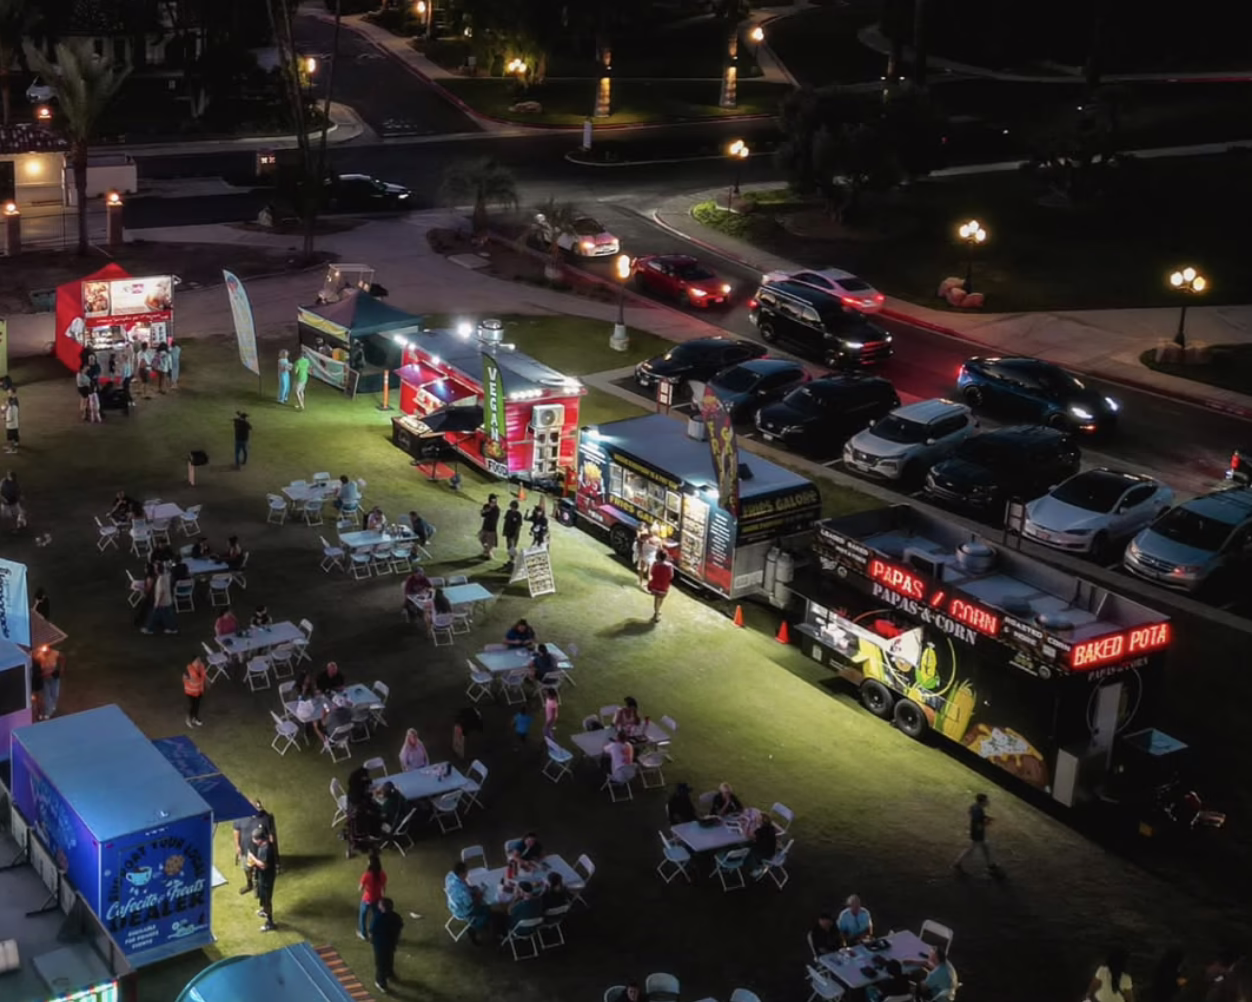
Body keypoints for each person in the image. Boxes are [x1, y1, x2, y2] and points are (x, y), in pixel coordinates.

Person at [953, 792, 1001, 876]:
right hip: (978, 834)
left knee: (985, 847)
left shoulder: (975, 806)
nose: (988, 802)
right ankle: (958, 862)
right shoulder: (978, 810)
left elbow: (971, 812)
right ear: (982, 801)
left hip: (976, 833)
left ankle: (990, 864)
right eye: (986, 800)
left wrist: (986, 817)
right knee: (972, 849)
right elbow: (979, 825)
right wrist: (987, 822)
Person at [444, 861, 490, 944]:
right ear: (461, 874)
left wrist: (471, 888)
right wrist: (479, 895)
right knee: (486, 909)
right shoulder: (463, 892)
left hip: (452, 905)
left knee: (482, 905)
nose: (467, 874)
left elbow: (464, 885)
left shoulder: (450, 876)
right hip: (462, 910)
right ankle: (473, 928)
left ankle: (479, 923)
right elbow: (471, 903)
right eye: (466, 872)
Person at [370, 897, 404, 994]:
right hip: (391, 943)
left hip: (380, 945)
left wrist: (372, 939)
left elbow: (372, 930)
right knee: (389, 958)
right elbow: (400, 926)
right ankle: (390, 973)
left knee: (380, 963)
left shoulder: (378, 917)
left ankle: (380, 981)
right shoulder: (395, 916)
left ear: (382, 907)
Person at [248, 828, 277, 931]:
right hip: (263, 877)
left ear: (259, 839)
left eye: (254, 839)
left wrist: (253, 858)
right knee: (263, 898)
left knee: (267, 900)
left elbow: (263, 865)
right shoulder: (263, 845)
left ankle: (270, 923)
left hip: (267, 879)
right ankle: (264, 911)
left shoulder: (266, 849)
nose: (253, 841)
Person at [357, 851, 387, 941]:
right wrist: (382, 898)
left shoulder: (366, 875)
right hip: (377, 899)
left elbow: (360, 888)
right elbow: (383, 888)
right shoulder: (382, 874)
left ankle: (363, 933)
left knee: (362, 916)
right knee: (376, 916)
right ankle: (373, 932)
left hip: (367, 899)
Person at [142, 562, 178, 635]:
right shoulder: (166, 575)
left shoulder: (160, 579)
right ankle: (172, 628)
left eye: (155, 568)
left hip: (162, 602)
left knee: (153, 615)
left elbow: (161, 592)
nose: (154, 570)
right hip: (168, 600)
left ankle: (149, 629)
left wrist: (157, 602)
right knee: (168, 616)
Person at [34, 646, 62, 719]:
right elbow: (35, 663)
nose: (45, 650)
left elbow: (62, 658)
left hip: (53, 678)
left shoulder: (55, 653)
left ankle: (52, 708)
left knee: (55, 694)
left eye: (46, 649)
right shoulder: (39, 655)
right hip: (44, 678)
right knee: (47, 696)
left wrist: (61, 669)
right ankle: (47, 713)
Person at [648, 549, 674, 623]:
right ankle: (658, 611)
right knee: (661, 599)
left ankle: (656, 614)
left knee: (656, 600)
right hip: (664, 586)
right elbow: (671, 576)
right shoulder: (670, 566)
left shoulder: (655, 563)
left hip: (655, 585)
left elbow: (652, 573)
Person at [182, 655, 206, 727]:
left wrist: (206, 683)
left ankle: (195, 718)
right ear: (193, 662)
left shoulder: (201, 667)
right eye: (197, 661)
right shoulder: (189, 669)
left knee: (197, 706)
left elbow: (203, 676)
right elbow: (184, 678)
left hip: (199, 691)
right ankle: (188, 719)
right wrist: (189, 680)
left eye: (199, 660)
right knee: (192, 706)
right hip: (190, 692)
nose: (198, 662)